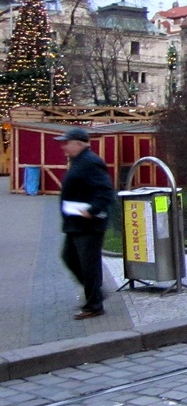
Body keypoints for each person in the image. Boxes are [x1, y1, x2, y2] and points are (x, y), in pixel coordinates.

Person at [57, 126, 116, 320]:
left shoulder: (91, 162)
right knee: (70, 258)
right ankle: (95, 293)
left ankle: (94, 306)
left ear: (78, 144)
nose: (64, 146)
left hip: (88, 225)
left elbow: (105, 191)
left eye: (67, 143)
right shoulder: (78, 161)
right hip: (75, 223)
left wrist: (92, 210)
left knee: (88, 265)